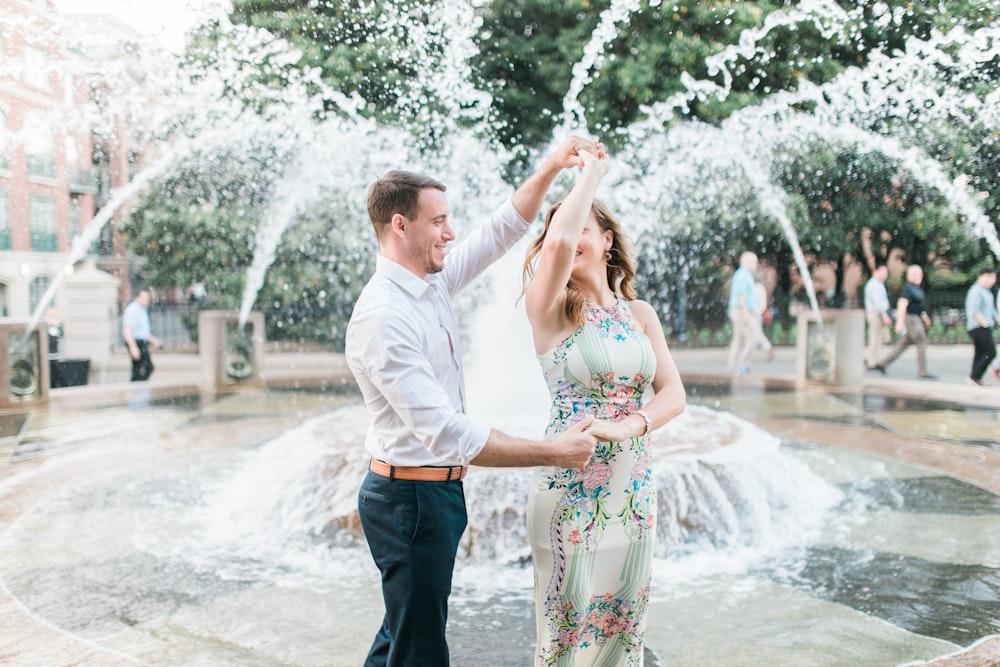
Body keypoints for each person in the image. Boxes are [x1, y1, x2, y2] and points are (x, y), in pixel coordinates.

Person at [345, 136, 619, 667]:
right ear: (400, 226)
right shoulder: (385, 317)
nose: (450, 232)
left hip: (431, 497)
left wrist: (551, 168)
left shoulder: (431, 284)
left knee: (403, 632)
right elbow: (448, 433)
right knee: (420, 648)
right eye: (438, 221)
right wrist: (554, 452)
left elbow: (500, 230)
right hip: (411, 502)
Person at [520, 149, 686, 665]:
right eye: (550, 236)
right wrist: (591, 171)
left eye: (581, 228)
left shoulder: (640, 314)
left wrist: (627, 426)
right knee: (568, 639)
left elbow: (674, 396)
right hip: (570, 490)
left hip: (633, 490)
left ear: (608, 240)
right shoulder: (549, 310)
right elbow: (563, 240)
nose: (562, 242)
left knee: (624, 631)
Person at [875, 264, 936, 379]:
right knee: (921, 341)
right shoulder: (908, 288)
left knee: (904, 344)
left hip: (917, 318)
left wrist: (925, 317)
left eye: (920, 274)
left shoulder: (917, 288)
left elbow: (920, 306)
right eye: (915, 274)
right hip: (911, 318)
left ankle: (883, 363)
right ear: (909, 275)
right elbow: (902, 305)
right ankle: (923, 372)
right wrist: (899, 322)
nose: (918, 276)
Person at [964, 267, 997, 386]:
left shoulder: (986, 291)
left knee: (980, 353)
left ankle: (974, 378)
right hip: (978, 327)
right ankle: (975, 376)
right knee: (991, 352)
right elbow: (974, 311)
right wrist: (986, 325)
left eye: (994, 278)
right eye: (990, 277)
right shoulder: (976, 290)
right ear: (981, 276)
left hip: (983, 326)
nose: (992, 281)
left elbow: (993, 311)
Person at [727, 251, 758, 374]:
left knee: (738, 339)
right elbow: (741, 295)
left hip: (740, 310)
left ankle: (733, 367)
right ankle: (741, 365)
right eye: (755, 262)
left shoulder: (743, 274)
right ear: (747, 262)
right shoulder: (743, 275)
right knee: (753, 338)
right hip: (740, 311)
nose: (757, 265)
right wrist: (746, 313)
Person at [122, 289, 159, 382]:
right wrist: (133, 347)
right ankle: (136, 388)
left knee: (139, 368)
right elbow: (128, 330)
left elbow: (142, 331)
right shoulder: (132, 310)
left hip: (141, 341)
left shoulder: (142, 310)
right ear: (137, 298)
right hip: (136, 341)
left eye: (147, 299)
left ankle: (136, 389)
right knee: (146, 367)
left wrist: (153, 340)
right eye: (144, 299)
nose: (146, 301)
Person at [863, 264, 892, 374]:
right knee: (875, 336)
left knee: (877, 336)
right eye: (883, 273)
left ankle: (872, 358)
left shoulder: (877, 284)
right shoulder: (875, 285)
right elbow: (878, 303)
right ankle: (872, 361)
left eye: (886, 273)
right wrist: (884, 316)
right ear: (876, 272)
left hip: (876, 313)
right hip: (876, 313)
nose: (885, 275)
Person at [751, 277, 774, 361]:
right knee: (756, 333)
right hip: (755, 313)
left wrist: (757, 311)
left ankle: (769, 349)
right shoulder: (758, 288)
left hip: (755, 314)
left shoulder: (758, 288)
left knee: (757, 333)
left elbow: (762, 303)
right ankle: (767, 349)